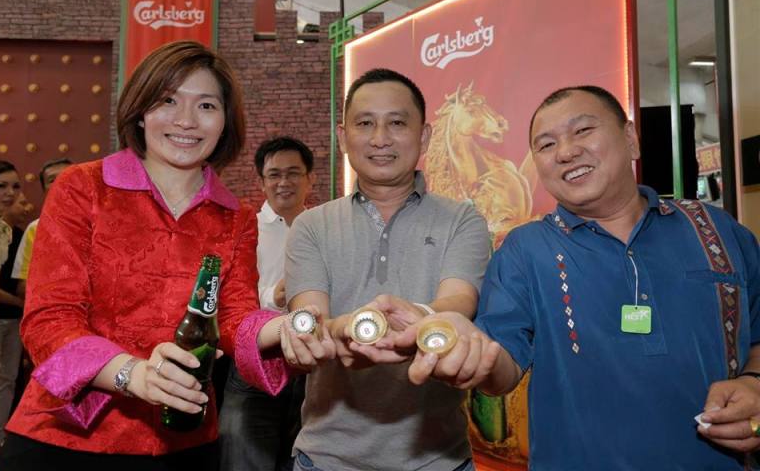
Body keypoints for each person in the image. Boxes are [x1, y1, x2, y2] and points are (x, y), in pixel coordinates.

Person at [0, 40, 331, 470]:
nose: (187, 121)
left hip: (183, 438)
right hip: (67, 435)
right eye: (168, 101)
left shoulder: (235, 217)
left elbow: (232, 318)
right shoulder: (84, 189)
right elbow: (49, 319)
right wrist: (132, 374)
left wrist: (286, 329)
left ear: (226, 122)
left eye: (207, 106)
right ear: (140, 111)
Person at [405, 85, 760, 470]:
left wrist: (755, 382)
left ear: (630, 138)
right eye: (545, 144)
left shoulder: (716, 230)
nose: (566, 151)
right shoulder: (525, 250)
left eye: (583, 131)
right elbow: (502, 365)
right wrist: (474, 357)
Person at [283, 68, 490, 471]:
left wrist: (421, 320)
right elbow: (310, 318)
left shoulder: (462, 220)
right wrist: (341, 330)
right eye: (365, 124)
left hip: (439, 459)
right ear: (343, 138)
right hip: (326, 459)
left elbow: (459, 301)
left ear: (424, 136)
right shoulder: (310, 225)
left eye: (397, 123)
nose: (380, 139)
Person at [220, 136, 315, 471]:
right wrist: (270, 297)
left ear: (310, 179)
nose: (284, 182)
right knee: (244, 454)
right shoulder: (244, 228)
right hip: (255, 359)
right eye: (274, 174)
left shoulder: (323, 227)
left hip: (313, 362)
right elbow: (225, 294)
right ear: (260, 181)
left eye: (293, 173)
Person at [11, 158, 73, 298]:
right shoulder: (35, 229)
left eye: (68, 175)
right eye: (52, 179)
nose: (61, 181)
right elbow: (22, 286)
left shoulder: (100, 225)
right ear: (44, 189)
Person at [0, 161, 18, 465]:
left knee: (2, 379)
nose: (10, 193)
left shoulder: (2, 227)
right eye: (1, 186)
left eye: (15, 186)